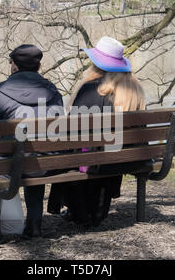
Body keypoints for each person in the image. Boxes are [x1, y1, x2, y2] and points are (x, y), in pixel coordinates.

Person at [47, 36, 146, 227]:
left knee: (72, 154)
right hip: (127, 159)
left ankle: (80, 212)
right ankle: (96, 210)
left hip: (97, 162)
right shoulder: (135, 89)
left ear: (96, 63)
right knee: (100, 151)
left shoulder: (91, 89)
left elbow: (72, 131)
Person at [0, 44, 63, 242]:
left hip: (8, 166)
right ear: (38, 66)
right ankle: (34, 225)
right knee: (35, 157)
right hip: (46, 165)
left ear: (14, 65)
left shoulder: (0, 93)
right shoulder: (53, 91)